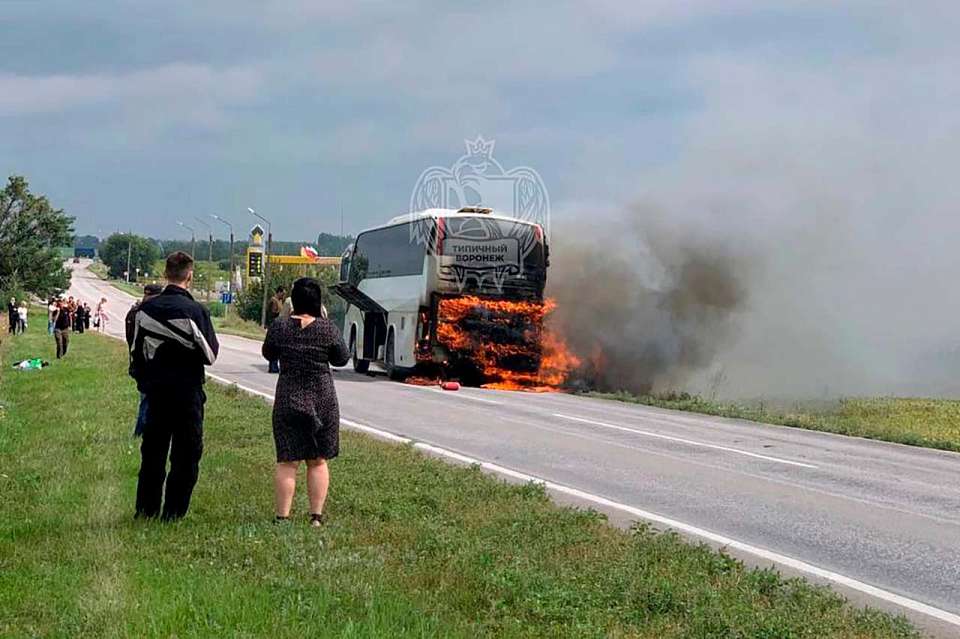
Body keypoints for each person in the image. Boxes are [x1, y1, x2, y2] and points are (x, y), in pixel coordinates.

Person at [129, 252, 219, 520]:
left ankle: (146, 511)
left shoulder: (144, 310)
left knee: (153, 453)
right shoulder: (196, 311)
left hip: (156, 392)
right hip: (188, 393)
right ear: (189, 275)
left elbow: (136, 353)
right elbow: (210, 355)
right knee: (187, 455)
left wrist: (145, 382)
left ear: (166, 273)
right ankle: (174, 513)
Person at [262, 277, 349, 526]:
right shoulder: (328, 328)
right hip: (322, 398)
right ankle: (316, 517)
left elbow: (268, 353)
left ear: (293, 301)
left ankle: (282, 517)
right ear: (319, 302)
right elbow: (342, 359)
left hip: (288, 397)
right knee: (317, 460)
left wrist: (286, 319)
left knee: (287, 461)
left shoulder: (280, 328)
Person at [126, 283, 164, 438]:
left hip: (138, 361)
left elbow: (130, 339)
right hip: (150, 360)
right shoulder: (150, 312)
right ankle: (142, 432)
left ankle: (143, 430)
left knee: (146, 398)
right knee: (149, 400)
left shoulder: (134, 312)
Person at [266, 286, 286, 373]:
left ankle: (274, 366)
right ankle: (273, 366)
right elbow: (273, 314)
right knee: (274, 346)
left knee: (277, 347)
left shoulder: (280, 302)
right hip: (274, 326)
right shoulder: (274, 301)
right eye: (283, 293)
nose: (284, 295)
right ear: (279, 292)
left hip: (278, 326)